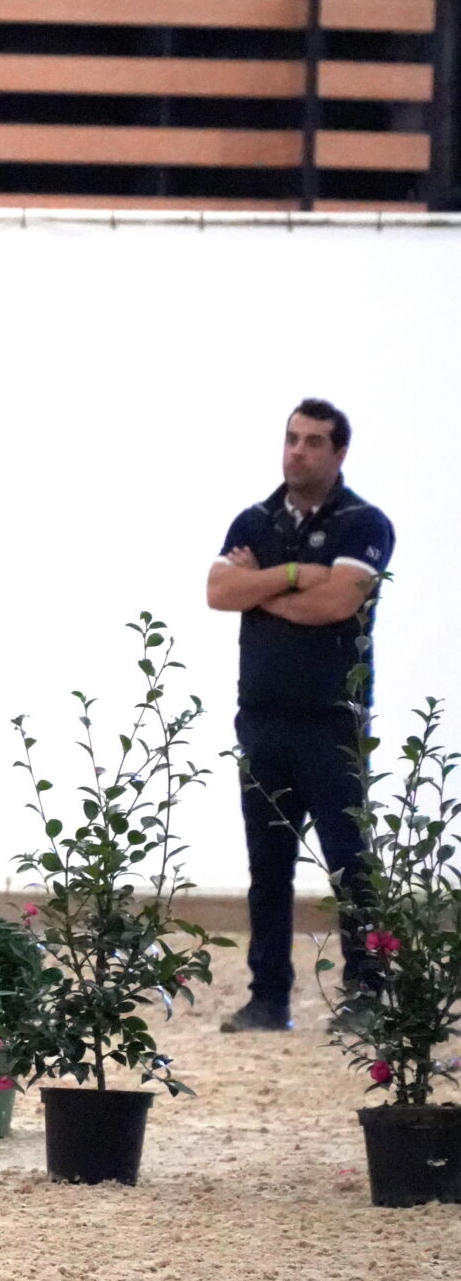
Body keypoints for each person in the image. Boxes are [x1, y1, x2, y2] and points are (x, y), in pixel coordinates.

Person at [206, 398, 393, 1032]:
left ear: (339, 453)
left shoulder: (363, 524)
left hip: (332, 721)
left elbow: (336, 604)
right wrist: (292, 574)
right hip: (262, 720)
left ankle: (367, 993)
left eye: (314, 442)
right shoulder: (255, 520)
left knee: (349, 862)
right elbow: (218, 591)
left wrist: (259, 591)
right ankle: (268, 998)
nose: (298, 452)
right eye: (292, 438)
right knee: (268, 867)